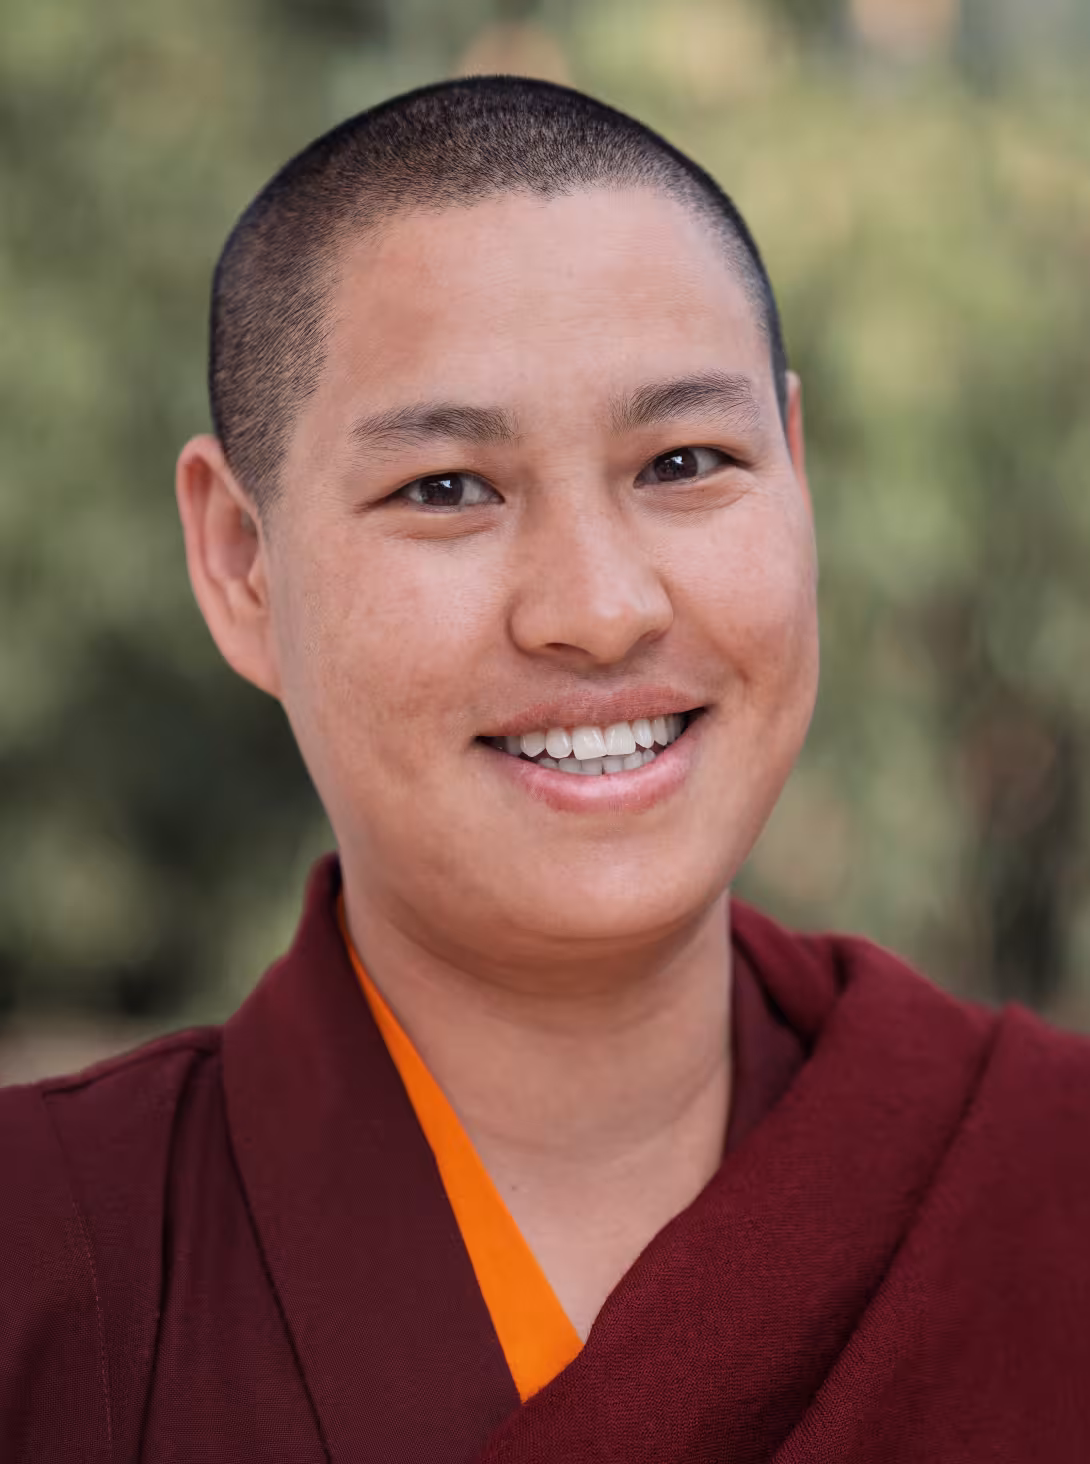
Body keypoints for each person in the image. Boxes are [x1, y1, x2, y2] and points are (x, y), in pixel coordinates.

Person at [2, 75, 1088, 1463]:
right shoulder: (42, 1263)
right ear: (240, 561)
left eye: (685, 460)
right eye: (446, 488)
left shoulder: (1046, 1175)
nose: (599, 608)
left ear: (796, 471)